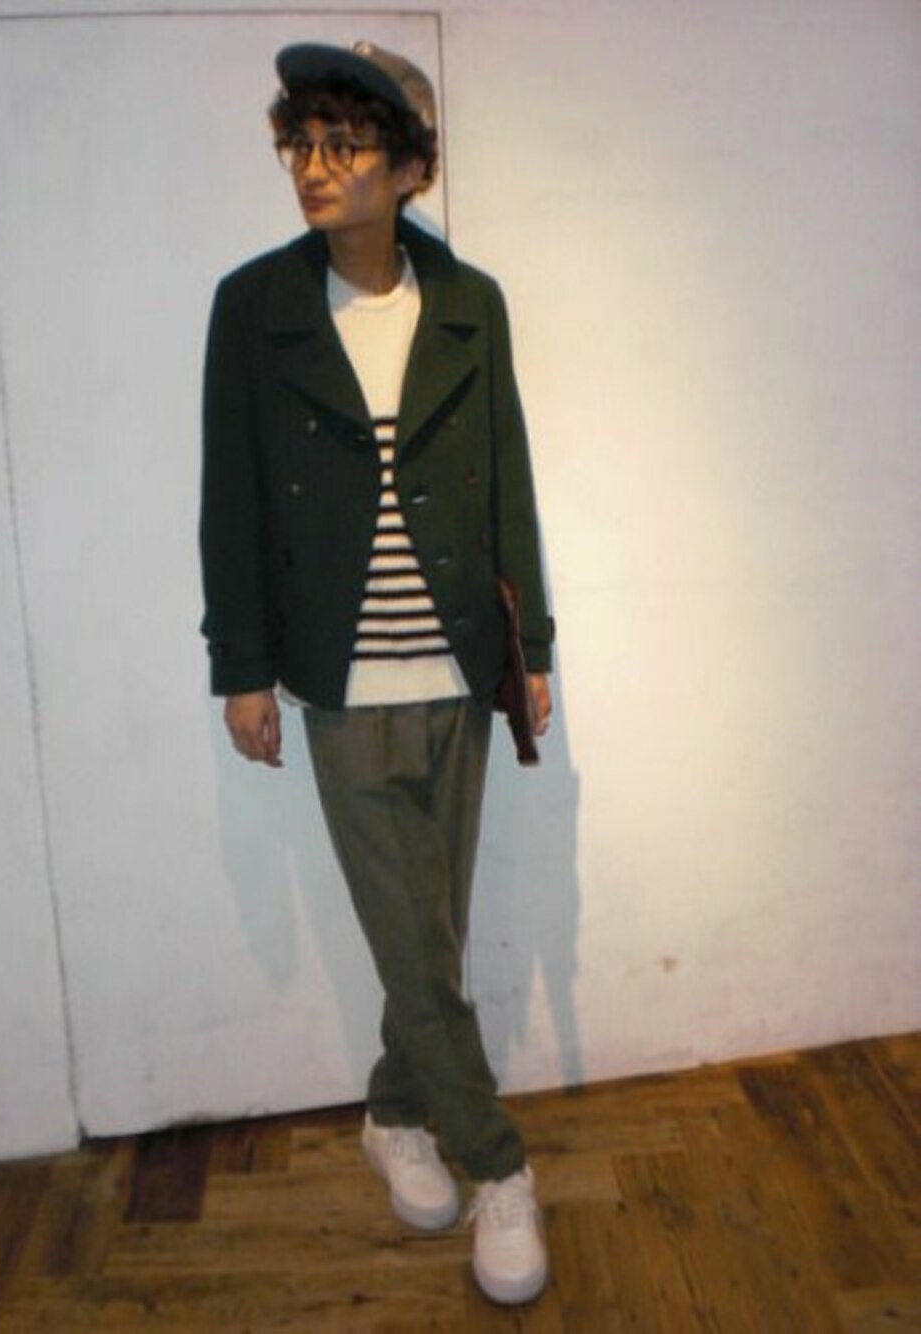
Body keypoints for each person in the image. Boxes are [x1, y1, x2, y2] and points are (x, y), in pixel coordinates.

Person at [199, 39, 555, 1306]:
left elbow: (508, 477)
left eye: (346, 144)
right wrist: (242, 666)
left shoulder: (470, 303)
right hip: (342, 680)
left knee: (428, 939)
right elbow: (232, 493)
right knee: (414, 937)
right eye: (301, 140)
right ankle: (497, 1163)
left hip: (459, 666)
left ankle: (395, 1112)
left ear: (408, 168)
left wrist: (532, 647)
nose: (316, 166)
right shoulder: (255, 307)